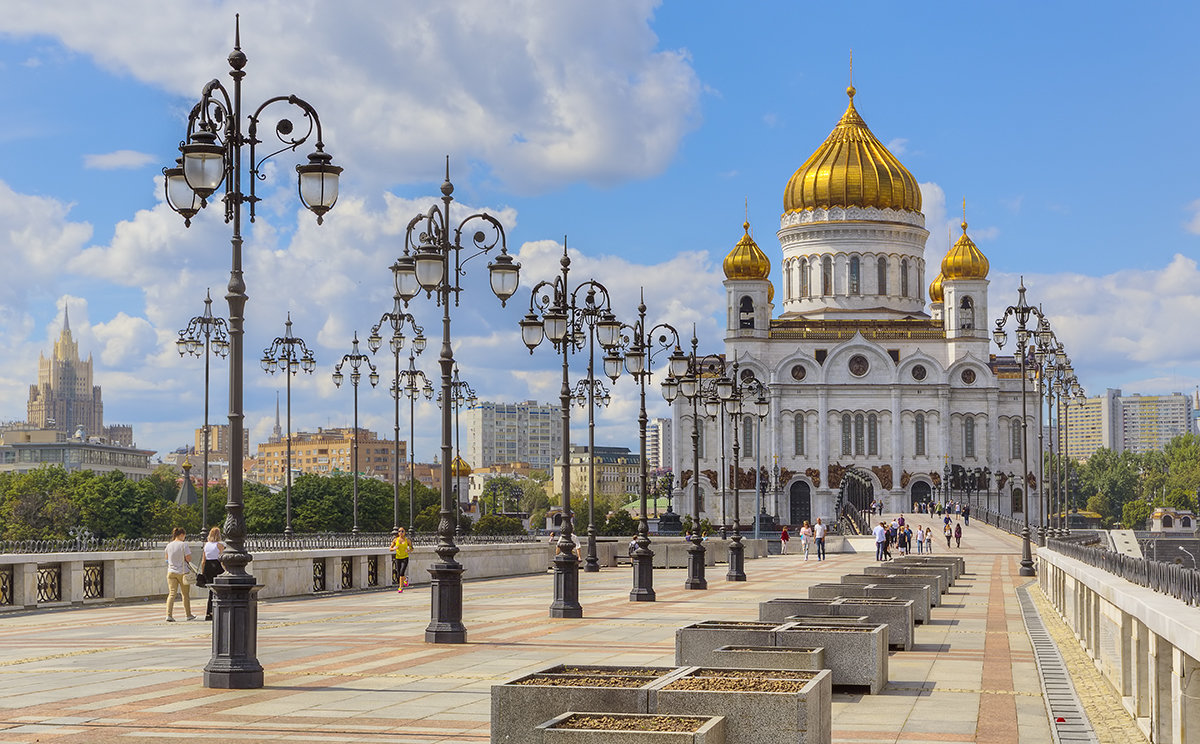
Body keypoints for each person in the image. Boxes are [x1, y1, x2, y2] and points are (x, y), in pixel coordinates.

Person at [164, 527, 195, 622]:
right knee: (185, 594)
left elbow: (166, 559)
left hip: (171, 572)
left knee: (172, 594)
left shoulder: (169, 545)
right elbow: (188, 558)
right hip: (182, 572)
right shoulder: (183, 545)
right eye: (184, 536)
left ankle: (168, 615)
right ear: (181, 535)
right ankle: (188, 615)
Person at [201, 526, 225, 621]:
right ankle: (217, 610)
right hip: (216, 566)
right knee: (219, 589)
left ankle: (209, 612)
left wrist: (203, 572)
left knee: (211, 591)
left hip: (208, 567)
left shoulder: (206, 545)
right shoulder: (219, 545)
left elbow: (203, 560)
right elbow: (223, 559)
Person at [391, 527, 413, 593]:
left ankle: (400, 587)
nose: (401, 532)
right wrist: (394, 548)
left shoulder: (407, 540)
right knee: (398, 573)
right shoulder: (395, 540)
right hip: (398, 558)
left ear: (405, 532)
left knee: (401, 572)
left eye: (402, 531)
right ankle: (405, 579)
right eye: (399, 531)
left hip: (405, 558)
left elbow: (412, 548)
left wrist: (408, 550)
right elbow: (390, 548)